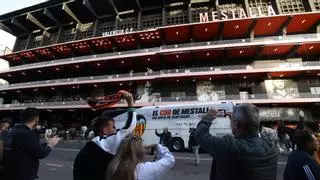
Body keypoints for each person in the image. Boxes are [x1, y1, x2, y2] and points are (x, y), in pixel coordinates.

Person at [195, 103, 278, 180]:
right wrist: (235, 121)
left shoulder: (229, 147)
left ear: (236, 125)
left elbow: (200, 134)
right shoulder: (271, 147)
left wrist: (209, 116)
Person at [73, 90, 136, 180]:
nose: (116, 130)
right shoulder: (105, 144)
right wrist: (130, 104)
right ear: (105, 130)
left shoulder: (88, 147)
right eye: (113, 127)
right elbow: (129, 128)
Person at [2, 107, 60, 180]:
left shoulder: (13, 131)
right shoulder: (29, 133)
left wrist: (46, 143)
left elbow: (27, 147)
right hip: (23, 175)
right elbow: (41, 153)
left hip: (9, 173)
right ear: (35, 119)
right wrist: (51, 145)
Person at [106, 134, 175, 180]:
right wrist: (158, 146)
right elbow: (170, 159)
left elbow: (128, 149)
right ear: (139, 151)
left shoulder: (113, 166)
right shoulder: (143, 169)